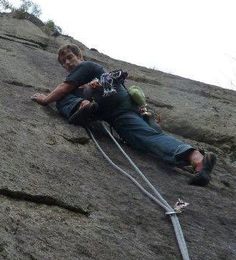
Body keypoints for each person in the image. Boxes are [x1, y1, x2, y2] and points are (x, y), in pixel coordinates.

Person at [31, 43, 216, 186]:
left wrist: (46, 99)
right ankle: (198, 160)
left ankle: (82, 105)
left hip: (106, 99)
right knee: (146, 138)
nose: (68, 62)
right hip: (119, 108)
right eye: (64, 62)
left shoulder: (86, 66)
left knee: (61, 98)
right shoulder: (86, 73)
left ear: (80, 56)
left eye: (70, 57)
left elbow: (64, 87)